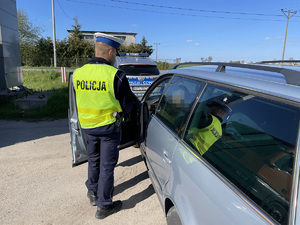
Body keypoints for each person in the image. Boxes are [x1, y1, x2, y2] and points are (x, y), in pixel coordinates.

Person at [73, 33, 135, 219]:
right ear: (110, 52)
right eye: (115, 53)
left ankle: (92, 193)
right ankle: (104, 206)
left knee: (93, 161)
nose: (116, 56)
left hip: (87, 127)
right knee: (107, 166)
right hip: (108, 128)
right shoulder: (116, 75)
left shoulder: (78, 73)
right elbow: (129, 105)